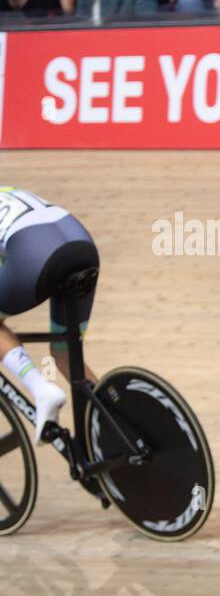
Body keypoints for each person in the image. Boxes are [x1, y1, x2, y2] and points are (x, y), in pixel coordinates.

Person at [0, 188, 101, 441]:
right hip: (81, 247)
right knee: (65, 352)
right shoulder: (6, 189)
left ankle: (41, 388)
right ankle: (115, 426)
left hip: (36, 256)